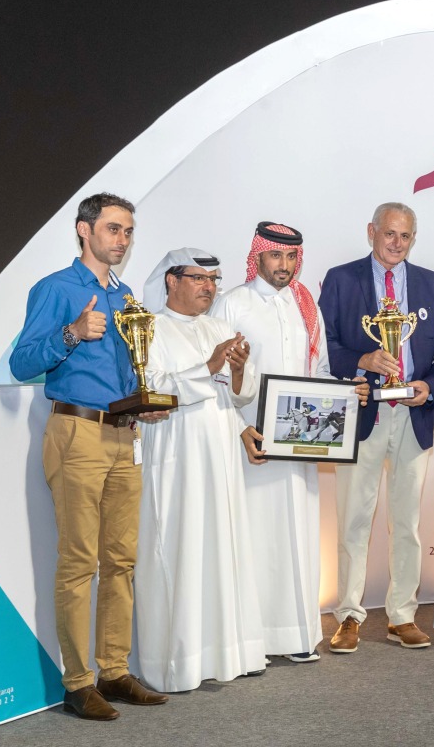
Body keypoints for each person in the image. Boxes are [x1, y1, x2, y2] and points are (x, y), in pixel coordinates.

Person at [9, 192, 169, 721]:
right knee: (79, 562)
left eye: (127, 231)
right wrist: (72, 334)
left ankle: (114, 672)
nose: (121, 239)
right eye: (113, 229)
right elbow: (22, 362)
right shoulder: (56, 289)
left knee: (120, 561)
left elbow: (127, 373)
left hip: (123, 434)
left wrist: (140, 403)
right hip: (76, 432)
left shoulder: (125, 297)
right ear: (84, 230)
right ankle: (78, 682)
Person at [318, 203, 434, 652]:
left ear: (413, 238)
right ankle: (349, 616)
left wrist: (428, 385)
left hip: (412, 415)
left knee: (408, 522)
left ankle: (402, 615)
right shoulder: (341, 280)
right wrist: (362, 360)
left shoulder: (433, 286)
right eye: (389, 234)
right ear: (371, 232)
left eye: (405, 236)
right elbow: (324, 346)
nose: (396, 243)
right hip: (362, 413)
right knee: (354, 519)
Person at [135, 248, 266, 692]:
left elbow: (236, 397)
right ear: (171, 281)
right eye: (198, 279)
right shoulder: (147, 327)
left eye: (213, 279)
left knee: (219, 545)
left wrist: (239, 370)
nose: (208, 287)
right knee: (179, 547)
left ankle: (225, 653)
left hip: (219, 455)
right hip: (174, 452)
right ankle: (175, 661)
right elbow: (149, 391)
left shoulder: (219, 327)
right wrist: (208, 366)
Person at [211, 221, 331, 663]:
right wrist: (239, 427)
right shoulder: (232, 304)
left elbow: (319, 373)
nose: (284, 265)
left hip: (300, 443)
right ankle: (252, 640)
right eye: (275, 256)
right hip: (252, 441)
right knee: (255, 538)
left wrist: (340, 404)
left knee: (298, 537)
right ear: (257, 255)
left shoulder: (305, 305)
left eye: (291, 257)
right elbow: (217, 378)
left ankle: (298, 635)